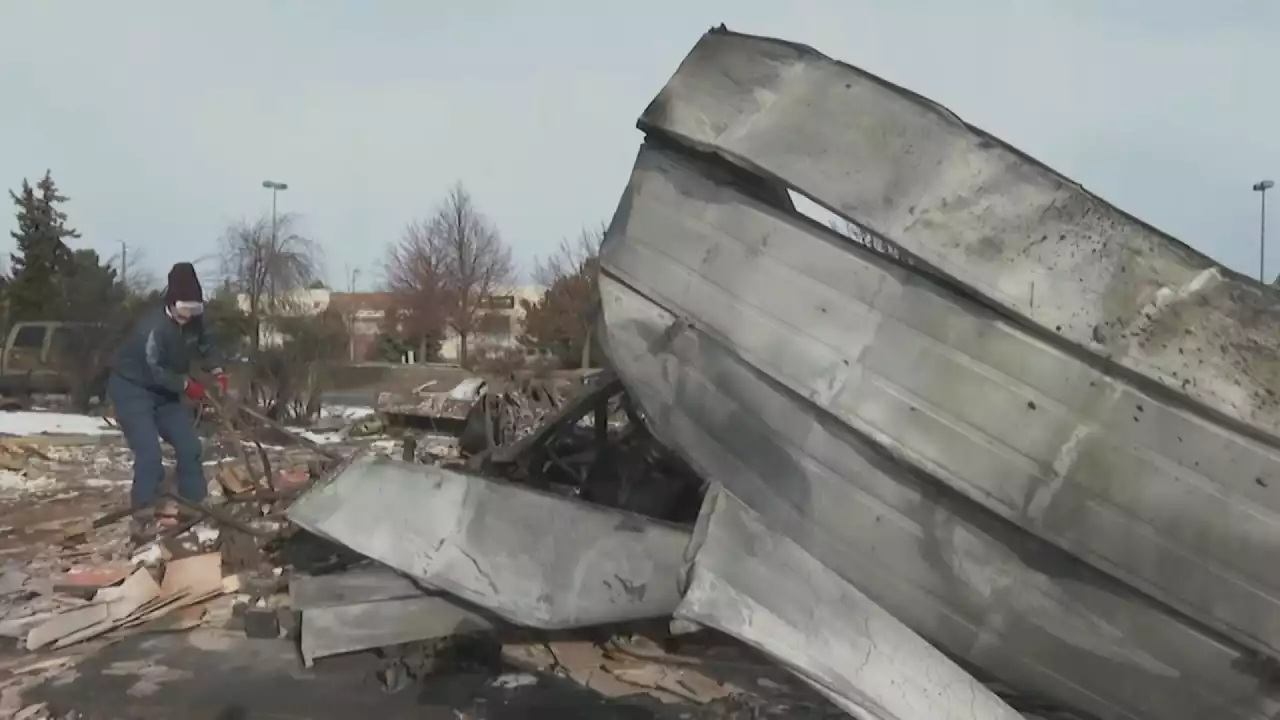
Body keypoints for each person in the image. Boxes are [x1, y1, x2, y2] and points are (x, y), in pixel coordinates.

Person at [109, 262, 227, 541]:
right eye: (183, 311)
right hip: (133, 388)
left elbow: (208, 344)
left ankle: (194, 506)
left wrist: (218, 372)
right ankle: (143, 516)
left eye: (193, 311)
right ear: (171, 303)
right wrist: (187, 385)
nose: (188, 317)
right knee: (149, 454)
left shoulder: (197, 321)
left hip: (167, 393)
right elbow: (155, 369)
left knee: (189, 446)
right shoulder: (152, 327)